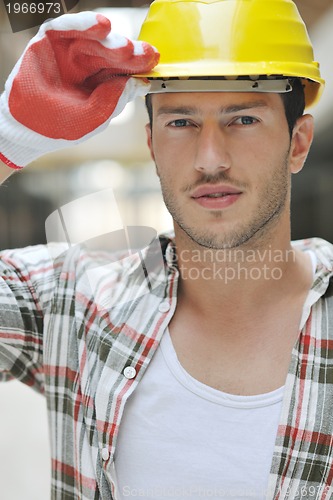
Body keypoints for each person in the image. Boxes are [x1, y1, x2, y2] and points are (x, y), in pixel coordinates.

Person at [0, 0, 332, 498]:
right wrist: (7, 143)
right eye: (182, 123)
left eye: (242, 119)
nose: (210, 159)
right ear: (152, 143)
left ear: (298, 143)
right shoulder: (70, 300)